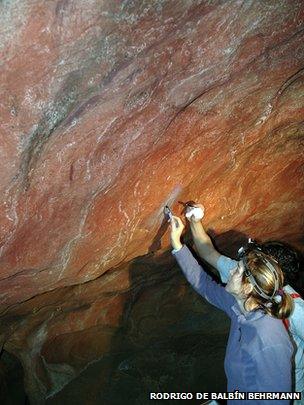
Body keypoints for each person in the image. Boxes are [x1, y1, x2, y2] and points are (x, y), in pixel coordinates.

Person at [170, 214, 294, 404]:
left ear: (247, 288)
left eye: (237, 271)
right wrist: (177, 245)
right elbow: (204, 285)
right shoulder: (240, 306)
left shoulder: (268, 339)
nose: (231, 271)